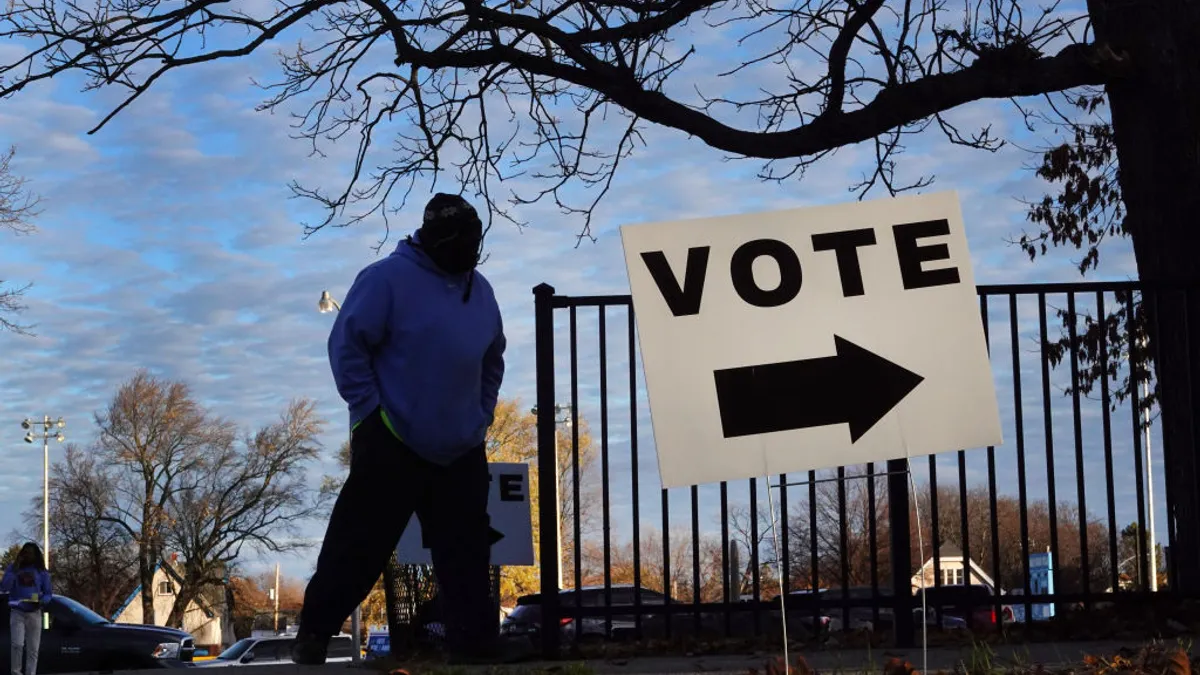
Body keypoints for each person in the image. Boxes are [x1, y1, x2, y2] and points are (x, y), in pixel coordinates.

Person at [292, 193, 523, 666]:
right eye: (458, 241)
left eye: (474, 240)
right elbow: (346, 346)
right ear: (433, 239)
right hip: (392, 439)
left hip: (460, 445)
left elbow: (492, 357)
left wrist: (481, 414)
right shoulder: (385, 280)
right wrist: (370, 412)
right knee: (360, 543)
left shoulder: (480, 291)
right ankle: (314, 632)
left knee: (466, 549)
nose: (467, 250)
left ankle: (474, 642)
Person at [2, 542, 52, 675]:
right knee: (17, 644)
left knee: (33, 649)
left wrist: (42, 602)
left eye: (31, 553)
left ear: (35, 555)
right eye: (26, 553)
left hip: (34, 612)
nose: (28, 556)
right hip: (17, 612)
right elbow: (4, 587)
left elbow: (48, 593)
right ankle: (16, 672)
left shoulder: (41, 571)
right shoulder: (13, 568)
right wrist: (15, 569)